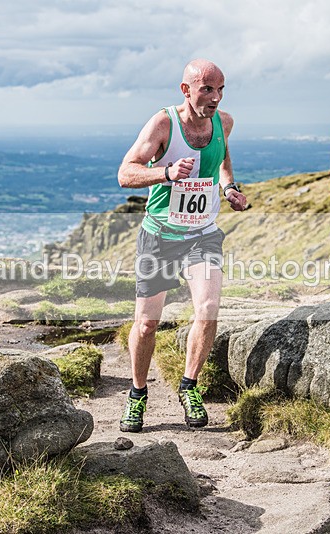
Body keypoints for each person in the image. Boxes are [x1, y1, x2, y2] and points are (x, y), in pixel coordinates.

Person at [116, 59, 248, 432]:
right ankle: (137, 393)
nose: (215, 98)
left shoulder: (224, 123)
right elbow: (126, 172)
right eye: (207, 89)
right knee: (146, 324)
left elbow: (222, 161)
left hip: (203, 234)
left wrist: (229, 189)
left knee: (207, 309)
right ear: (185, 89)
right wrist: (166, 173)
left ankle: (189, 386)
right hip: (159, 235)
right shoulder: (163, 124)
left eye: (221, 89)